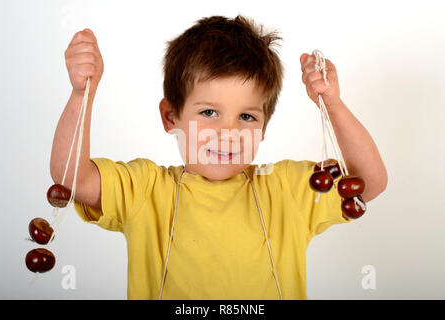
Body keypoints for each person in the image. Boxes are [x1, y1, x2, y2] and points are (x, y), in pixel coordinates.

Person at [50, 15, 388, 300]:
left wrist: (333, 105)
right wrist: (83, 94)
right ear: (170, 117)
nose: (229, 132)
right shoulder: (146, 190)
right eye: (209, 111)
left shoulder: (285, 189)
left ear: (264, 127)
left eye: (246, 117)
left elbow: (369, 183)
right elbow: (72, 179)